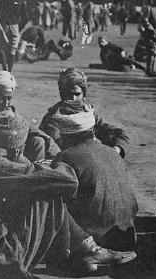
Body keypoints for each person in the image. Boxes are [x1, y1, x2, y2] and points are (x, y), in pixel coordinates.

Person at [0, 111, 138, 279]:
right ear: (16, 149)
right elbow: (67, 180)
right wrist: (44, 166)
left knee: (39, 186)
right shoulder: (0, 166)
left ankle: (80, 252)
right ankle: (86, 250)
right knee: (49, 191)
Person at [51, 103, 139, 250]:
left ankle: (84, 250)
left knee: (50, 198)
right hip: (127, 236)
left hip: (97, 239)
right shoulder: (112, 152)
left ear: (68, 136)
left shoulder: (66, 156)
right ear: (91, 131)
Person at [0, 70, 60, 162]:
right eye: (2, 98)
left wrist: (51, 144)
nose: (6, 104)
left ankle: (36, 176)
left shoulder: (8, 111)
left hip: (11, 155)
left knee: (38, 141)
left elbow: (29, 128)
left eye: (9, 99)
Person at [39, 68, 130, 158]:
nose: (73, 99)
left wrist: (116, 149)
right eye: (68, 94)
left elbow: (119, 135)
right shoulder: (53, 118)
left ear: (84, 95)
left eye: (77, 94)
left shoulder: (88, 114)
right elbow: (51, 149)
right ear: (61, 94)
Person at [0, 0, 27, 72]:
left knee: (1, 46)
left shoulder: (2, 0)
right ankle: (9, 71)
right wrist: (19, 28)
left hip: (3, 25)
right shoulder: (20, 1)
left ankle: (4, 68)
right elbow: (25, 18)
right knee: (12, 49)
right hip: (15, 25)